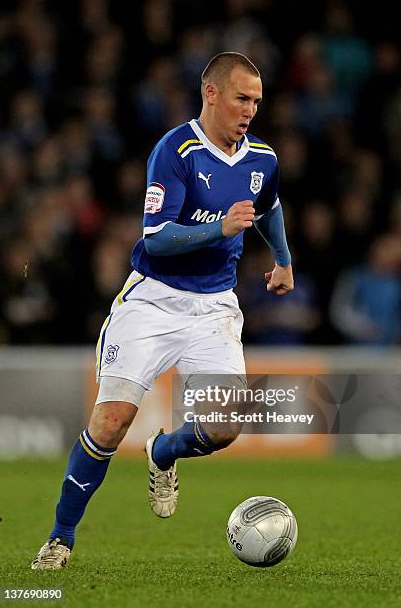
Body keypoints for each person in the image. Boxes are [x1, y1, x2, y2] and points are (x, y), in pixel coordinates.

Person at [31, 52, 294, 569]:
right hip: (153, 299)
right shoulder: (176, 151)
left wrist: (283, 260)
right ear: (211, 93)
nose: (250, 110)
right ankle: (60, 539)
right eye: (242, 98)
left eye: (258, 101)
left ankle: (164, 453)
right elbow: (158, 238)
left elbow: (270, 206)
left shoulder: (263, 157)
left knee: (223, 427)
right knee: (109, 424)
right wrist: (219, 227)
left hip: (215, 305)